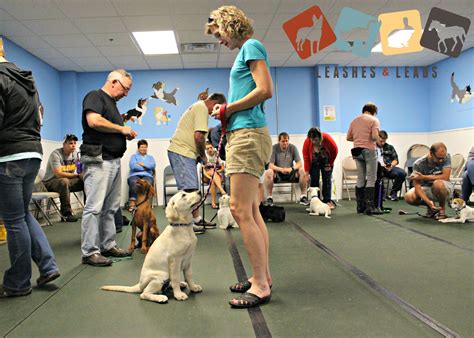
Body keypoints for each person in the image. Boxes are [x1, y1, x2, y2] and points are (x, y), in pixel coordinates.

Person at [207, 5, 273, 308]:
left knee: (239, 209)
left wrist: (229, 108)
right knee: (251, 209)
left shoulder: (251, 45)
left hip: (248, 135)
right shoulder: (244, 51)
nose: (219, 40)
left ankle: (260, 285)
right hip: (243, 134)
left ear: (229, 25)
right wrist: (228, 110)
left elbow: (265, 89)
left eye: (218, 33)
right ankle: (263, 277)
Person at [0, 53, 60, 297]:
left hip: (8, 156)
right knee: (22, 214)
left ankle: (18, 283)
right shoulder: (27, 80)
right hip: (33, 152)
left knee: (14, 220)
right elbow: (38, 117)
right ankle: (47, 266)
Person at [80, 69, 137, 267]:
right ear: (114, 82)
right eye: (126, 89)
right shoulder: (95, 96)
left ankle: (108, 245)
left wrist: (122, 134)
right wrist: (121, 129)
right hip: (98, 159)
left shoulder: (112, 104)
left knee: (111, 207)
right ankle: (90, 252)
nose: (126, 94)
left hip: (113, 159)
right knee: (94, 207)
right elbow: (93, 121)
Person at [167, 93, 227, 234]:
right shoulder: (202, 108)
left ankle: (196, 219)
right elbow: (199, 137)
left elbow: (198, 137)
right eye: (217, 109)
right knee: (189, 190)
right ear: (215, 103)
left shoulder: (198, 106)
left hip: (186, 152)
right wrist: (203, 156)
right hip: (182, 152)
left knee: (192, 189)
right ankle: (187, 224)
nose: (215, 113)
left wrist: (199, 157)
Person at [347, 102, 382, 215]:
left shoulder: (354, 120)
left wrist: (359, 139)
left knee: (361, 177)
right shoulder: (374, 120)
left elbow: (349, 137)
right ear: (373, 112)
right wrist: (379, 143)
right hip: (369, 150)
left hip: (356, 150)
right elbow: (374, 136)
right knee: (372, 177)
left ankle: (360, 206)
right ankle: (370, 207)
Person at [404, 142, 453, 219]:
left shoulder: (446, 157)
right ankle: (431, 208)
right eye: (438, 158)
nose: (441, 161)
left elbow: (445, 177)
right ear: (431, 153)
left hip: (445, 188)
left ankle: (442, 210)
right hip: (427, 188)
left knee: (438, 184)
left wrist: (423, 177)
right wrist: (428, 202)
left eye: (442, 158)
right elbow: (417, 187)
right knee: (409, 197)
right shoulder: (418, 164)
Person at [43, 133, 84, 222]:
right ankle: (66, 214)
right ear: (64, 144)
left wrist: (82, 175)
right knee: (64, 181)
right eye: (70, 143)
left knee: (85, 181)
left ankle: (89, 209)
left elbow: (80, 169)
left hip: (67, 181)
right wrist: (77, 175)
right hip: (50, 182)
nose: (73, 145)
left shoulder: (75, 155)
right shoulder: (56, 154)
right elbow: (58, 174)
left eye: (74, 143)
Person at [264, 132, 308, 206]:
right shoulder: (274, 148)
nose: (285, 143)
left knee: (302, 170)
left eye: (286, 141)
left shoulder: (293, 148)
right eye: (283, 141)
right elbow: (270, 165)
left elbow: (299, 163)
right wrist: (281, 169)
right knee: (268, 172)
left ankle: (303, 197)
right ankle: (269, 198)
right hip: (278, 173)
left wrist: (291, 169)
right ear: (279, 141)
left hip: (290, 172)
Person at [302, 127, 338, 209]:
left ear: (320, 137)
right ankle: (315, 201)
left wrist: (330, 163)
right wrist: (306, 173)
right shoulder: (307, 142)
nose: (315, 142)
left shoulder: (327, 139)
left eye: (317, 140)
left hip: (326, 160)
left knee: (327, 180)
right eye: (313, 140)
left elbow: (335, 150)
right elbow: (306, 157)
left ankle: (327, 201)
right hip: (314, 162)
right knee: (314, 179)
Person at [376, 130, 407, 201]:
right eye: (381, 141)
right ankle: (381, 195)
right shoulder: (372, 147)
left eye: (384, 141)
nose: (383, 143)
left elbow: (396, 160)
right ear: (377, 138)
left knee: (402, 173)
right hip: (378, 169)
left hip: (388, 168)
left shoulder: (389, 147)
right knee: (378, 174)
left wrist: (391, 166)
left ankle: (393, 192)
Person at [127, 139, 156, 211]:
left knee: (147, 183)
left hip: (147, 176)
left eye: (145, 147)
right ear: (138, 148)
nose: (143, 148)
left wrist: (142, 164)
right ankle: (132, 204)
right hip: (135, 175)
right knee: (134, 182)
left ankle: (146, 203)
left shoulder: (150, 157)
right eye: (141, 147)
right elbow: (133, 166)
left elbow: (152, 166)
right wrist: (146, 167)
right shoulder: (134, 156)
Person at [203, 141, 226, 209]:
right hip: (206, 176)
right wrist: (209, 177)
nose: (209, 149)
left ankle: (213, 203)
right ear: (205, 150)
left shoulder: (216, 155)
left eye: (211, 148)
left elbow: (222, 168)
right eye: (207, 148)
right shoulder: (204, 157)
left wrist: (217, 171)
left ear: (213, 148)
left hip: (215, 176)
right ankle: (222, 191)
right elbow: (202, 170)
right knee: (212, 172)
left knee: (213, 181)